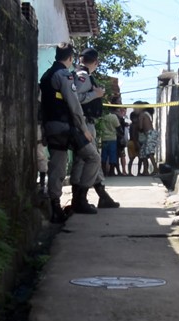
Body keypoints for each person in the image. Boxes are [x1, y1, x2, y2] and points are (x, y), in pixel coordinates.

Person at [40, 42, 100, 222]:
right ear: (70, 58)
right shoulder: (63, 75)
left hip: (50, 126)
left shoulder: (46, 75)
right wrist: (84, 129)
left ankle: (55, 207)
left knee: (57, 166)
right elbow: (74, 104)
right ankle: (80, 199)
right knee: (93, 157)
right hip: (66, 127)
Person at [72, 47, 120, 208]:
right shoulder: (83, 76)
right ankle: (81, 199)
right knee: (90, 159)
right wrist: (96, 95)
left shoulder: (83, 75)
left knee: (90, 160)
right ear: (96, 62)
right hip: (84, 123)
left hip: (87, 123)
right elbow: (75, 98)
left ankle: (101, 195)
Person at [138, 104, 159, 175]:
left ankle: (155, 169)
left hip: (149, 134)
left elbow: (140, 127)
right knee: (143, 152)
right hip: (150, 134)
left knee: (150, 152)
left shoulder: (142, 115)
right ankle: (145, 171)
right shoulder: (148, 114)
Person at [99, 110, 120, 176]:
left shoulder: (101, 117)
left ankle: (104, 171)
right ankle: (112, 172)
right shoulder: (114, 117)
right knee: (112, 156)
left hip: (104, 138)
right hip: (112, 139)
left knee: (104, 156)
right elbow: (118, 127)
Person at [114, 107, 129, 176]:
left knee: (121, 155)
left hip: (119, 139)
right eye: (122, 110)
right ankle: (121, 171)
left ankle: (122, 171)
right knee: (119, 155)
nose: (124, 112)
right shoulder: (118, 118)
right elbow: (119, 129)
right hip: (118, 139)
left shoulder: (121, 119)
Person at [127, 111, 140, 176]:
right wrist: (136, 144)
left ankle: (129, 172)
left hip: (130, 142)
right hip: (134, 142)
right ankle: (138, 172)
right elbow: (134, 135)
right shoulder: (135, 125)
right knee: (140, 158)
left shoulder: (131, 125)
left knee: (131, 159)